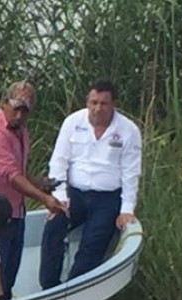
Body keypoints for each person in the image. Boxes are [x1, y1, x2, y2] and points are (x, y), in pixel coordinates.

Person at [0, 81, 66, 300]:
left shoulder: (21, 132)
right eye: (17, 107)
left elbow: (20, 171)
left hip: (16, 212)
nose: (20, 114)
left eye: (26, 110)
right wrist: (45, 199)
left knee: (9, 275)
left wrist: (41, 184)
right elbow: (10, 175)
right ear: (4, 103)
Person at [40, 79, 143, 289]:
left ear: (114, 104)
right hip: (74, 194)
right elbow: (59, 161)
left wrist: (127, 209)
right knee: (53, 226)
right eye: (93, 102)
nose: (97, 109)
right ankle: (49, 287)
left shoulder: (128, 130)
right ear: (87, 101)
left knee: (94, 242)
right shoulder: (73, 122)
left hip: (107, 198)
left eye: (103, 104)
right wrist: (58, 198)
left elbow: (131, 173)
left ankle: (74, 288)